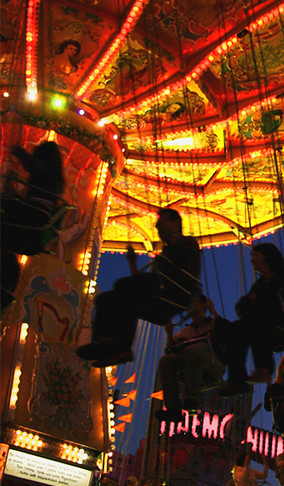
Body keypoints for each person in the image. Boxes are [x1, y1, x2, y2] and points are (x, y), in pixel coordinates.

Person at [77, 207, 201, 366]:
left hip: (178, 291)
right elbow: (141, 281)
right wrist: (132, 262)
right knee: (106, 299)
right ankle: (105, 342)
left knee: (124, 287)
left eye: (160, 224)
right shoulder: (167, 251)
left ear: (175, 222)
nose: (157, 229)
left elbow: (183, 259)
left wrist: (173, 238)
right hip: (162, 292)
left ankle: (121, 345)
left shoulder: (186, 243)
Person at [218, 243, 284, 394]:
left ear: (266, 256)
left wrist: (258, 297)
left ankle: (263, 367)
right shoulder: (261, 282)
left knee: (255, 324)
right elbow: (243, 305)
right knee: (234, 330)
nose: (251, 260)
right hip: (268, 321)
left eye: (255, 256)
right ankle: (237, 378)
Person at [1, 141, 66, 310]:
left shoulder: (45, 171)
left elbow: (34, 166)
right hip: (36, 217)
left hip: (33, 216)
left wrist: (19, 152)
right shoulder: (56, 180)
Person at [157, 293, 225, 422]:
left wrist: (214, 312)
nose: (190, 305)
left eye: (194, 301)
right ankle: (173, 408)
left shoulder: (214, 324)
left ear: (203, 304)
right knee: (165, 361)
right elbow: (171, 352)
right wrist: (170, 334)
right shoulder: (184, 332)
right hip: (191, 368)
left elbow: (227, 332)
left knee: (193, 350)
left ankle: (192, 399)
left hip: (212, 365)